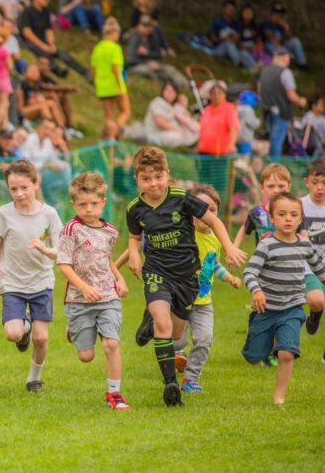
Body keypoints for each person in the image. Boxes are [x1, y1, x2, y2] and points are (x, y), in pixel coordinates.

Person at [126, 146, 245, 407]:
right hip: (157, 273)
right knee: (163, 325)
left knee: (176, 334)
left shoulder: (182, 198)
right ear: (137, 179)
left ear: (167, 174)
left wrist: (229, 247)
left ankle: (149, 321)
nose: (153, 184)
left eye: (158, 177)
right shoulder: (135, 208)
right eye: (146, 179)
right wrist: (134, 254)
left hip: (187, 278)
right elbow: (134, 237)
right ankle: (171, 384)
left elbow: (214, 221)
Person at [242, 192, 325, 405]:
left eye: (293, 214)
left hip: (293, 309)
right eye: (282, 214)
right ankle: (258, 333)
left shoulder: (305, 245)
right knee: (253, 357)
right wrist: (257, 291)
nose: (288, 219)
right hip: (267, 309)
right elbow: (249, 273)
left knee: (286, 353)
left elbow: (320, 269)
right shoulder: (267, 245)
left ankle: (279, 396)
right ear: (272, 219)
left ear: (300, 219)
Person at [0, 159, 63, 392]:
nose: (18, 194)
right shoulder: (4, 213)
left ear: (36, 184)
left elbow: (60, 250)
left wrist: (44, 249)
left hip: (41, 281)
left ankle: (33, 379)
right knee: (13, 333)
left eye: (24, 188)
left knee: (41, 339)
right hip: (12, 282)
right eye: (13, 189)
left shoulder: (49, 215)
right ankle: (24, 327)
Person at [56, 173, 130, 409]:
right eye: (82, 204)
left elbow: (106, 259)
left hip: (108, 297)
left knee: (111, 345)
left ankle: (114, 395)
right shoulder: (70, 229)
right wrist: (84, 287)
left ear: (103, 202)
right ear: (74, 204)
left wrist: (119, 278)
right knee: (86, 356)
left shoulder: (111, 231)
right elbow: (64, 265)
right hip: (78, 300)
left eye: (94, 204)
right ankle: (75, 331)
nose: (89, 209)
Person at [171, 184, 242, 393]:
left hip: (203, 301)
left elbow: (214, 263)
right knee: (177, 338)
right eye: (202, 209)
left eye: (212, 210)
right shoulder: (184, 234)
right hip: (182, 298)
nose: (207, 214)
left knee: (204, 339)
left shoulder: (216, 238)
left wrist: (229, 278)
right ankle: (177, 354)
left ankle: (190, 379)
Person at [19, 0, 90, 80]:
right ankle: (57, 70)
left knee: (64, 55)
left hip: (45, 42)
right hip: (31, 43)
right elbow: (27, 32)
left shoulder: (46, 12)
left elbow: (48, 30)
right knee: (45, 53)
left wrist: (51, 44)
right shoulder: (27, 11)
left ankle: (85, 73)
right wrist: (42, 46)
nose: (47, 0)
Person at [258, 47, 307, 158]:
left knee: (271, 140)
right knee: (276, 142)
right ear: (284, 58)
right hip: (280, 112)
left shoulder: (265, 71)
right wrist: (301, 101)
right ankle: (274, 169)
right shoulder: (285, 72)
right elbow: (291, 95)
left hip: (266, 111)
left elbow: (260, 91)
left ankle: (269, 167)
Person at [233, 163, 294, 250]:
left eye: (281, 186)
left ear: (288, 187)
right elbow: (244, 229)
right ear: (262, 189)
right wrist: (234, 248)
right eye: (270, 186)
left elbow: (303, 235)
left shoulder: (295, 213)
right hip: (262, 262)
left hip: (287, 262)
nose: (276, 190)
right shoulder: (257, 213)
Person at [90, 18, 129, 139]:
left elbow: (93, 69)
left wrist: (96, 84)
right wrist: (120, 87)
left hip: (102, 87)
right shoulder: (114, 48)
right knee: (126, 112)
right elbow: (116, 69)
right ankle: (114, 136)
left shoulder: (98, 48)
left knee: (109, 117)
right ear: (114, 33)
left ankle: (108, 138)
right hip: (114, 85)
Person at [125, 15, 188, 89]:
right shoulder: (134, 38)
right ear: (139, 26)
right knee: (147, 71)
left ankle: (189, 87)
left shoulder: (152, 37)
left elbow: (158, 54)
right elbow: (130, 60)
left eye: (149, 26)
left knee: (170, 69)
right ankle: (162, 86)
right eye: (144, 25)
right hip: (135, 66)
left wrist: (148, 53)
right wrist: (146, 62)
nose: (147, 28)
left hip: (153, 64)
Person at [301, 158, 325, 347]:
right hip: (308, 266)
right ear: (306, 182)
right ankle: (315, 315)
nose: (319, 188)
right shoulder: (298, 206)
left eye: (324, 183)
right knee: (316, 301)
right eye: (315, 182)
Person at [144, 82, 199, 148]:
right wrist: (177, 131)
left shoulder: (173, 105)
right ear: (163, 91)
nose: (170, 93)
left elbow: (184, 118)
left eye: (173, 91)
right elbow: (160, 122)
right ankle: (156, 141)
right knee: (176, 137)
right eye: (167, 90)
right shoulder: (158, 102)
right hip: (157, 133)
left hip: (171, 131)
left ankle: (189, 144)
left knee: (196, 128)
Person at [209, 0, 256, 72]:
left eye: (233, 9)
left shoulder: (236, 24)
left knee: (244, 52)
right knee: (229, 43)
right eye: (229, 9)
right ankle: (240, 65)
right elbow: (213, 39)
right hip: (218, 49)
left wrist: (235, 40)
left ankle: (254, 68)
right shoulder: (218, 22)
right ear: (224, 10)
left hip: (233, 49)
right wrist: (225, 39)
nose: (231, 11)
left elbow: (239, 39)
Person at [197, 80, 239, 156]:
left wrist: (232, 145)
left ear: (224, 95)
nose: (216, 96)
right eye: (213, 93)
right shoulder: (207, 109)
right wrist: (198, 145)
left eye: (219, 93)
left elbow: (234, 128)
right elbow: (202, 129)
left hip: (220, 154)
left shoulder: (229, 108)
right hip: (203, 152)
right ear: (210, 95)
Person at [261, 4, 307, 69]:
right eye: (276, 14)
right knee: (270, 45)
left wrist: (286, 27)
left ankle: (302, 64)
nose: (278, 16)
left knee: (295, 41)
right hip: (269, 48)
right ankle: (285, 63)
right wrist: (283, 49)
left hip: (281, 46)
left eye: (280, 15)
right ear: (271, 15)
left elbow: (289, 37)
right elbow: (271, 39)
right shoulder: (266, 24)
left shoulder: (280, 25)